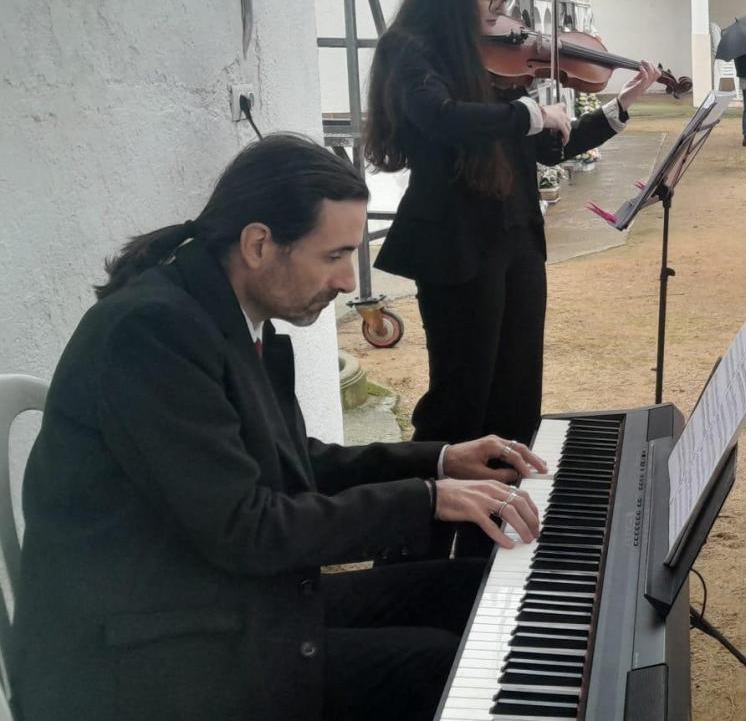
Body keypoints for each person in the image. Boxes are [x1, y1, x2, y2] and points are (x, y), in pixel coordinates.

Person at [14, 134, 550, 721]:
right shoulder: (151, 334)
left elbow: (290, 462)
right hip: (143, 653)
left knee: (468, 588)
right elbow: (248, 528)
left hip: (220, 598)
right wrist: (425, 501)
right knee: (437, 663)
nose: (350, 281)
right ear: (259, 243)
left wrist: (439, 461)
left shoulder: (224, 310)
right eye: (334, 255)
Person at [363, 0, 656, 555]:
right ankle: (428, 529)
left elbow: (549, 145)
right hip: (455, 242)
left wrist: (616, 109)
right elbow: (438, 118)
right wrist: (528, 112)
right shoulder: (412, 49)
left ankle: (498, 519)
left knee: (520, 385)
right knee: (461, 393)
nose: (502, 14)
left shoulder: (495, 57)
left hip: (515, 236)